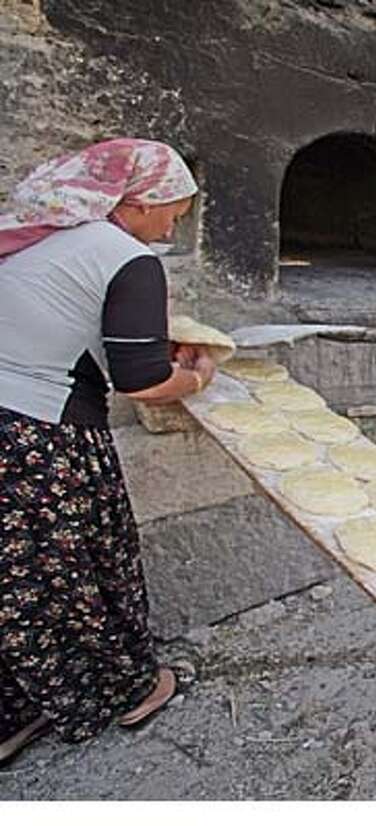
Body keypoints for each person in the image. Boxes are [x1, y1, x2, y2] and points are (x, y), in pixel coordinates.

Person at [0, 138, 213, 765]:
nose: (175, 224)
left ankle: (17, 711)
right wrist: (200, 378)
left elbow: (62, 322)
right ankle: (126, 691)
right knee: (77, 571)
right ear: (138, 203)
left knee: (16, 585)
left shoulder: (38, 237)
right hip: (40, 441)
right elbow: (142, 380)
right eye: (174, 208)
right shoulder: (126, 257)